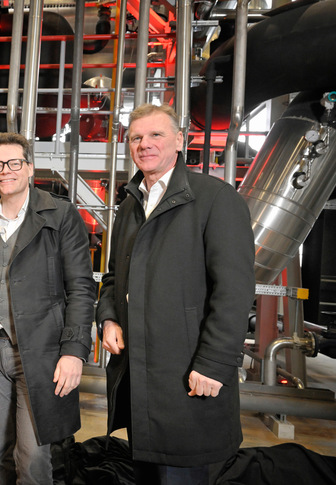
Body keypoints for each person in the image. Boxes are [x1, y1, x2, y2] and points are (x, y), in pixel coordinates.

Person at [96, 103, 255, 484]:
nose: (144, 144)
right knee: (148, 471)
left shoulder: (216, 199)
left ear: (179, 140)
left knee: (182, 472)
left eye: (156, 135)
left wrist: (214, 363)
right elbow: (115, 275)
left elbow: (234, 292)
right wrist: (109, 317)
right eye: (136, 138)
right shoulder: (131, 204)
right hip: (140, 375)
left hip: (187, 374)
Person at [0, 132, 96, 484]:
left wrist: (74, 351)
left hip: (41, 351)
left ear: (30, 168)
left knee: (33, 454)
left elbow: (82, 288)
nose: (4, 171)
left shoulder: (61, 214)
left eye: (13, 163)